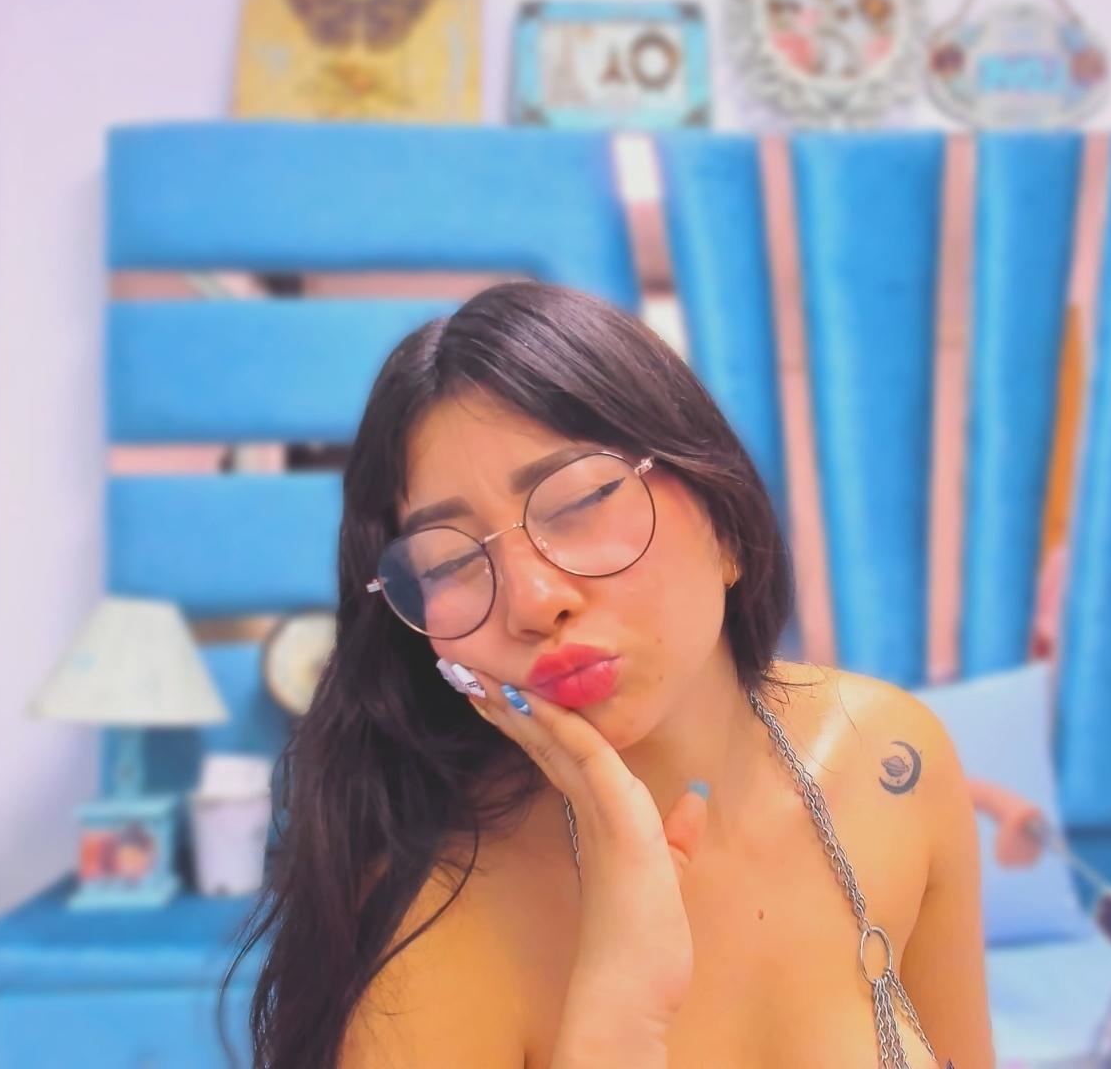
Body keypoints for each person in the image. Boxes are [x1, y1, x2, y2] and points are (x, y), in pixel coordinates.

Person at [236, 281, 992, 1067]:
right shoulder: (432, 926)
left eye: (580, 502)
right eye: (451, 562)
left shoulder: (890, 758)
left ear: (725, 522)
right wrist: (618, 1008)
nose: (534, 601)